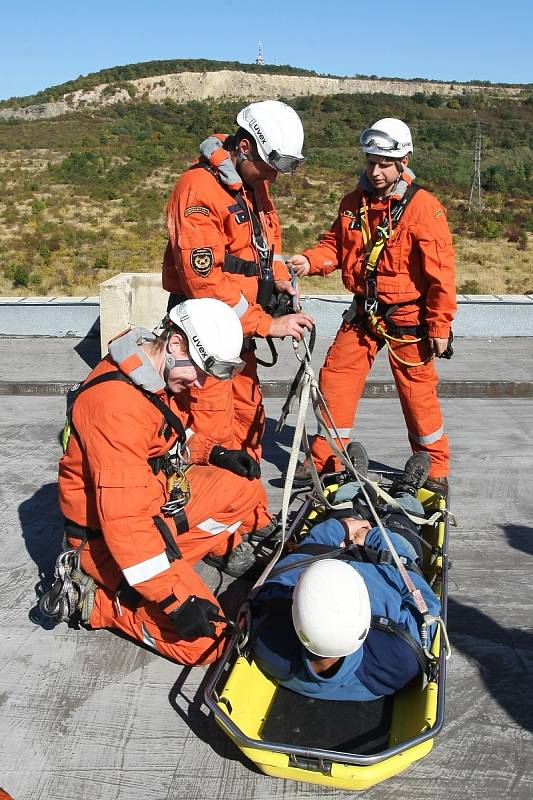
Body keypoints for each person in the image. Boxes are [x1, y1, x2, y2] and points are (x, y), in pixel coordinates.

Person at [52, 298, 270, 666]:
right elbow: (128, 527)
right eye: (200, 371)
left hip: (154, 504)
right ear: (176, 343)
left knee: (243, 489)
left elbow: (165, 438)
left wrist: (213, 454)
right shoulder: (117, 407)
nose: (199, 383)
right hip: (108, 542)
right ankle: (93, 601)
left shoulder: (152, 375)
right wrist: (178, 600)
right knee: (206, 642)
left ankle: (195, 551)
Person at [163, 100, 314, 533]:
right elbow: (205, 286)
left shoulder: (251, 184)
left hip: (237, 334)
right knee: (213, 434)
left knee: (248, 425)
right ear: (244, 147)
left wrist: (281, 279)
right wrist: (268, 325)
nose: (273, 177)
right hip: (204, 340)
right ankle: (217, 532)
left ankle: (250, 515)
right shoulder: (198, 191)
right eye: (269, 167)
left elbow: (261, 249)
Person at [289, 118, 456, 496]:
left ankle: (435, 468)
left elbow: (441, 275)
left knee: (417, 394)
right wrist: (308, 261)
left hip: (408, 316)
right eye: (370, 162)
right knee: (334, 381)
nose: (376, 171)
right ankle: (325, 459)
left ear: (403, 162)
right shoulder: (353, 204)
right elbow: (334, 245)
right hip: (364, 312)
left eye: (384, 163)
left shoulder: (423, 209)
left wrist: (440, 327)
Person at [250, 450, 441, 700]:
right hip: (386, 557)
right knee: (399, 523)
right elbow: (424, 603)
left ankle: (354, 484)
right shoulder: (396, 659)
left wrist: (337, 529)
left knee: (344, 515)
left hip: (332, 553)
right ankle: (406, 493)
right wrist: (376, 540)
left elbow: (282, 574)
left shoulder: (273, 647)